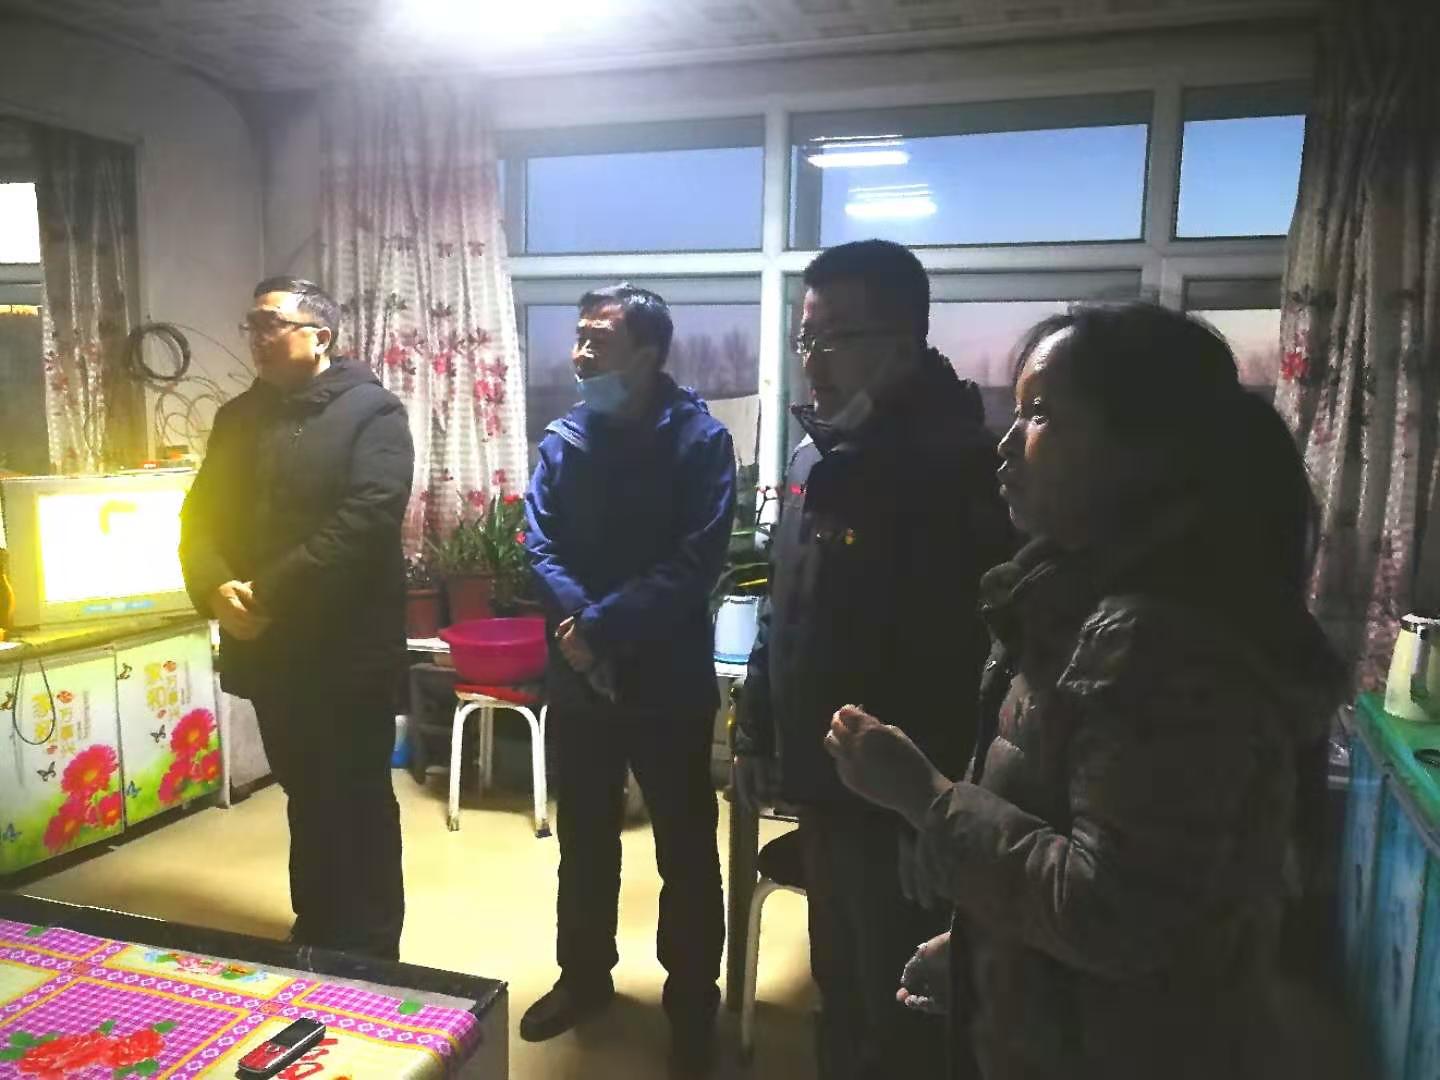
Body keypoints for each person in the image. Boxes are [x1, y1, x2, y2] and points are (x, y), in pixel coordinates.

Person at [824, 301, 1348, 1080]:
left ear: (1144, 453)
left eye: (1040, 414)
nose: (1007, 443)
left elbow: (1116, 913)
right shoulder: (1071, 599)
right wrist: (983, 947)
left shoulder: (1162, 642)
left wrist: (926, 798)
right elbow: (1088, 842)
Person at [734, 239, 1013, 1080]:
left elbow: (977, 659)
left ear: (903, 342)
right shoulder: (815, 455)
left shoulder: (962, 468)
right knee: (842, 989)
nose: (812, 361)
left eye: (835, 339)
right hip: (826, 785)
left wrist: (933, 809)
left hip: (906, 802)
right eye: (805, 339)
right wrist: (757, 726)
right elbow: (785, 604)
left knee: (906, 1014)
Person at [521, 284, 736, 1074]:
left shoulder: (700, 440)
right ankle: (584, 979)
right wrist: (583, 630)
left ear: (647, 353)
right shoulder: (564, 439)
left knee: (685, 848)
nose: (580, 354)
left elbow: (696, 561)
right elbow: (538, 542)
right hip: (580, 676)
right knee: (583, 841)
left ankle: (692, 1005)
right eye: (578, 337)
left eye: (598, 340)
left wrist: (601, 629)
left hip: (666, 677)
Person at [180, 276, 413, 961]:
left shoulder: (373, 412)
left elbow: (367, 518)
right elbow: (199, 517)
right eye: (251, 324)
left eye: (271, 323)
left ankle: (372, 948)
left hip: (347, 648)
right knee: (305, 793)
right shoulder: (238, 418)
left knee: (358, 797)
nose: (256, 337)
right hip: (270, 647)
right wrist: (214, 586)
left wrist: (267, 590)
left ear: (320, 336)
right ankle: (316, 929)